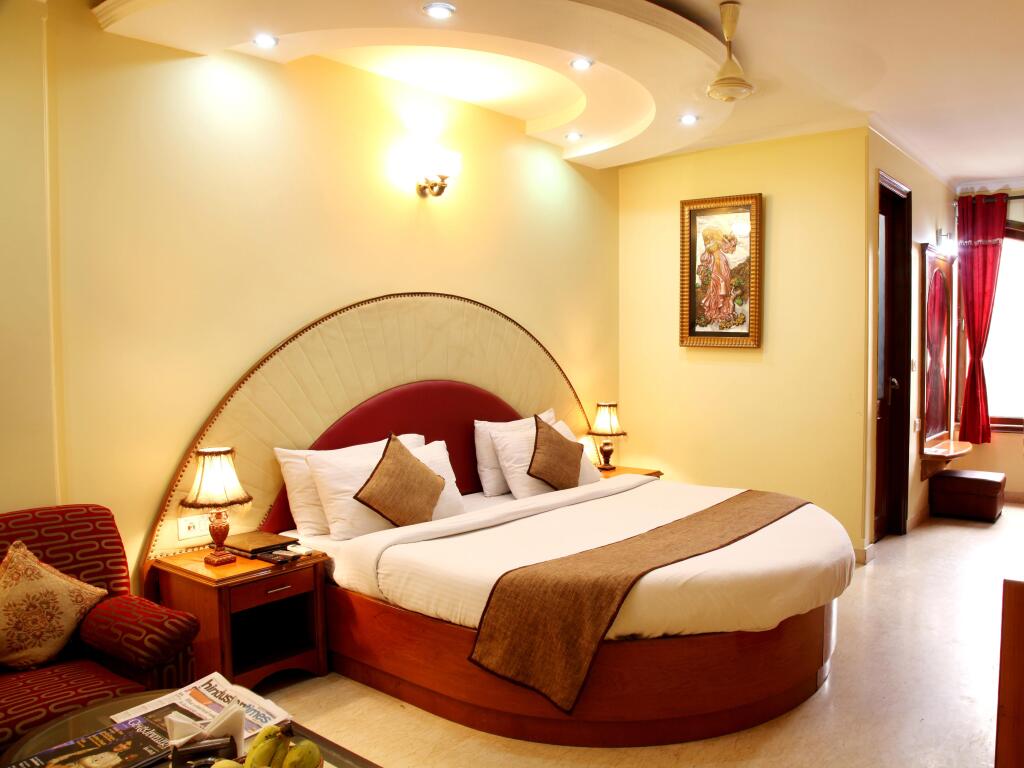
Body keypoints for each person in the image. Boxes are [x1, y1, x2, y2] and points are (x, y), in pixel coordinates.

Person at [699, 225, 737, 326]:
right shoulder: (711, 246)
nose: (708, 238)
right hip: (716, 265)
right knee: (717, 287)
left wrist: (728, 243)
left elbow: (724, 250)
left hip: (720, 263)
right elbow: (709, 253)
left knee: (722, 284)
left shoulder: (717, 243)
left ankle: (722, 312)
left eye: (709, 236)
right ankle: (715, 312)